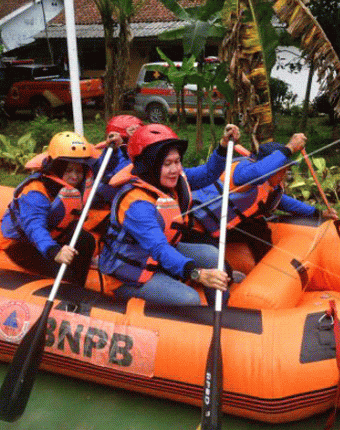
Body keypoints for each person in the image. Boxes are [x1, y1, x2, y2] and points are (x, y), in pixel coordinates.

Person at [99, 123, 238, 306]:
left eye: (177, 161)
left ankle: (221, 311)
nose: (175, 169)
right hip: (130, 274)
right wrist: (197, 273)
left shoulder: (172, 179)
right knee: (189, 299)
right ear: (150, 165)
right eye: (167, 164)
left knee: (211, 255)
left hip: (158, 258)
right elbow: (159, 249)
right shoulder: (136, 204)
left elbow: (207, 174)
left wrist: (222, 147)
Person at [189, 133, 338, 269]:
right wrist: (290, 148)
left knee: (259, 227)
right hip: (196, 228)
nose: (284, 175)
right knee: (224, 272)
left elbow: (285, 202)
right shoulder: (243, 171)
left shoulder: (268, 186)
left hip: (221, 226)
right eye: (282, 170)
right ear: (270, 166)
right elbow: (258, 172)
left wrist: (318, 213)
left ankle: (266, 269)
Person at [0, 131, 125, 286]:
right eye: (69, 170)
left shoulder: (79, 182)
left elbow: (103, 166)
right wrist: (54, 251)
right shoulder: (36, 191)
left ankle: (77, 286)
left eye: (78, 171)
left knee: (85, 239)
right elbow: (34, 227)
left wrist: (112, 150)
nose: (75, 176)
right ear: (58, 168)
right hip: (22, 245)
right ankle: (68, 285)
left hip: (54, 235)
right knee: (65, 273)